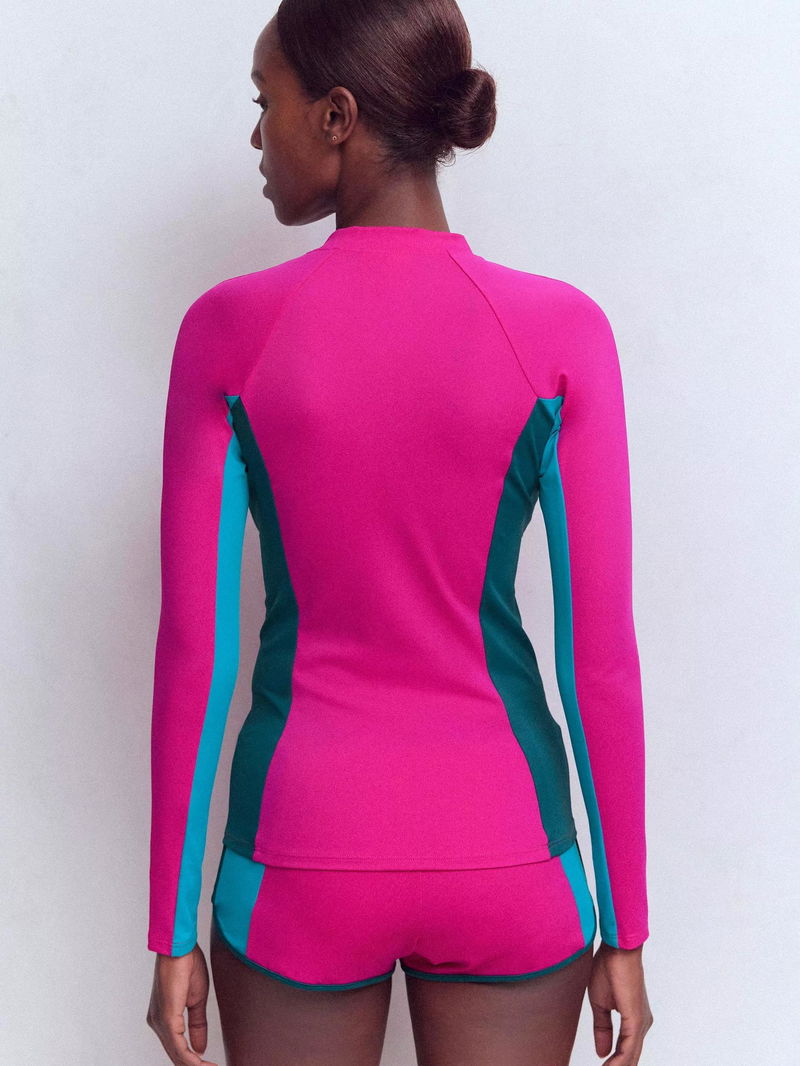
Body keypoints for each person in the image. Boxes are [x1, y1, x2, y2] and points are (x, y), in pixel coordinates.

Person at [145, 1, 654, 1063]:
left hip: (297, 855)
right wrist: (624, 925)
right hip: (511, 852)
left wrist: (171, 929)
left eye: (265, 100)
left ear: (336, 116)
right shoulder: (560, 331)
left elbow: (197, 654)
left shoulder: (229, 330)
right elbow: (597, 661)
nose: (256, 134)